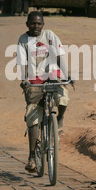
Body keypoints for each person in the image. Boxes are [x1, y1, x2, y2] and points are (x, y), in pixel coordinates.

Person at [16, 11, 69, 172]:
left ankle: (58, 119)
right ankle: (32, 156)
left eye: (39, 24)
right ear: (27, 24)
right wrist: (25, 80)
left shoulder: (50, 36)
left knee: (64, 98)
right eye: (32, 23)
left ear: (43, 25)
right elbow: (23, 62)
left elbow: (60, 56)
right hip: (34, 81)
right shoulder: (23, 40)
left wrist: (67, 75)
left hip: (52, 77)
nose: (36, 26)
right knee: (33, 117)